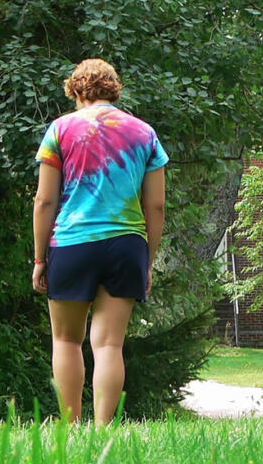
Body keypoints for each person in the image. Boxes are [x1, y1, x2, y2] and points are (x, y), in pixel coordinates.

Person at [31, 59, 167, 424]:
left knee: (67, 341)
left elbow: (45, 201)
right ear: (114, 90)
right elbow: (155, 204)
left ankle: (71, 429)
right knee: (109, 344)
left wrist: (39, 259)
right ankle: (105, 431)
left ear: (75, 91)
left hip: (73, 243)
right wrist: (147, 260)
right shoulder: (144, 133)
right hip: (126, 244)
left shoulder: (60, 130)